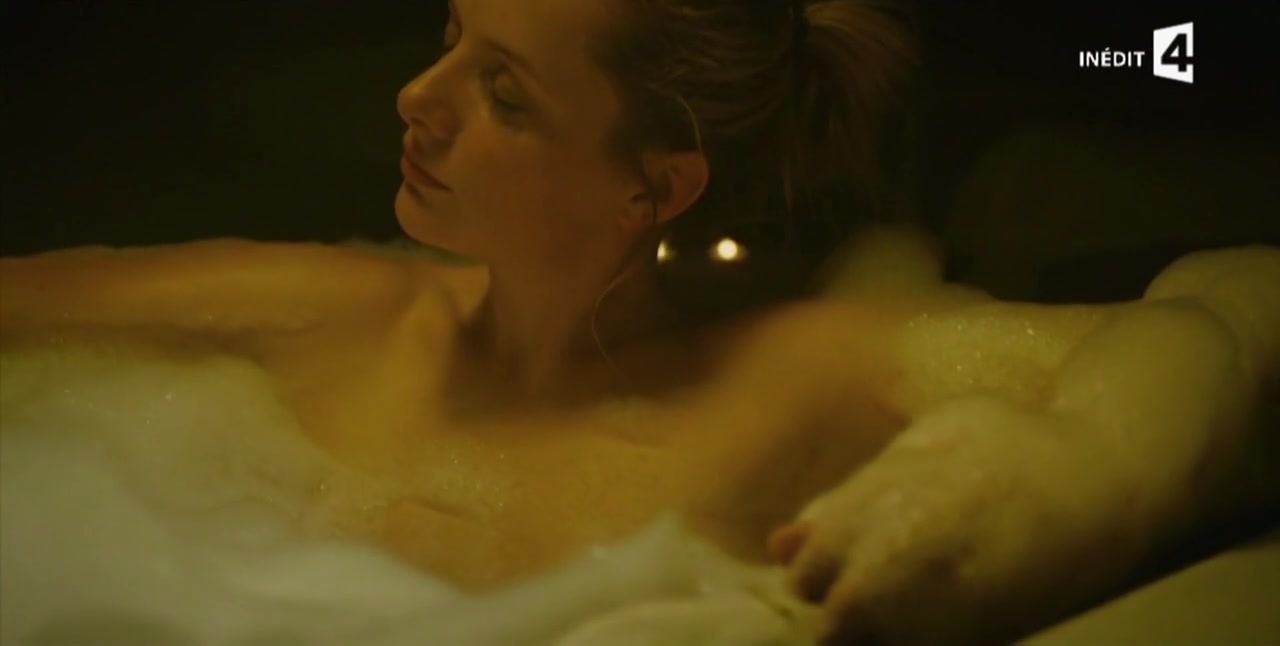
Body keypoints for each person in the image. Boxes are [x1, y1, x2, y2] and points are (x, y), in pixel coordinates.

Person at [1, 0, 1277, 642]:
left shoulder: (780, 384)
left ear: (650, 189)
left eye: (503, 92)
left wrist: (1090, 467)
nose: (414, 96)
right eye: (449, 36)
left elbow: (1242, 295)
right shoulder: (317, 317)